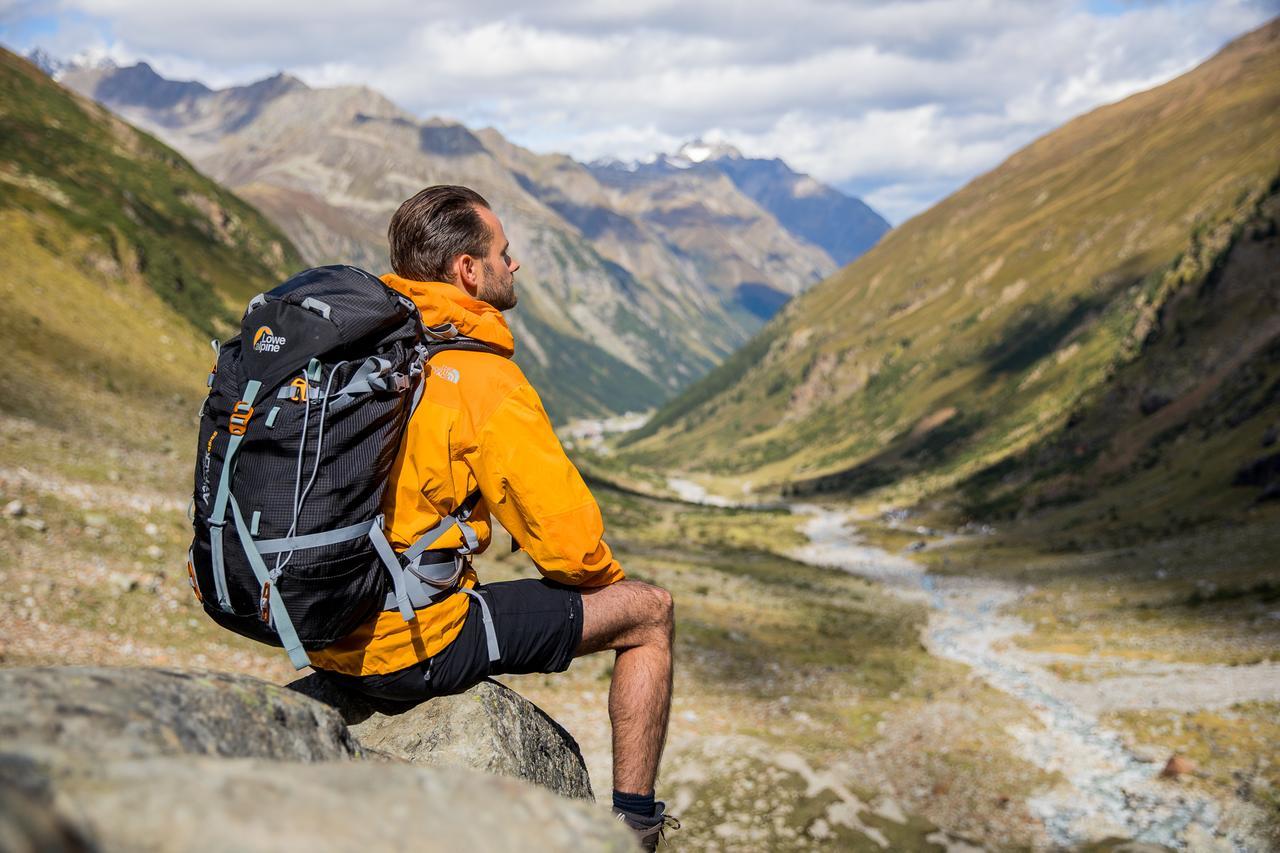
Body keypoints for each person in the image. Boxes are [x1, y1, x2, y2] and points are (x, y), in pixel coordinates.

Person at [309, 185, 678, 849]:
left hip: (321, 624)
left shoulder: (374, 349)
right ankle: (634, 827)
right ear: (467, 272)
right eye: (504, 254)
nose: (515, 266)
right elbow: (572, 550)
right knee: (650, 614)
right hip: (408, 645)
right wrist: (607, 586)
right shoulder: (481, 377)